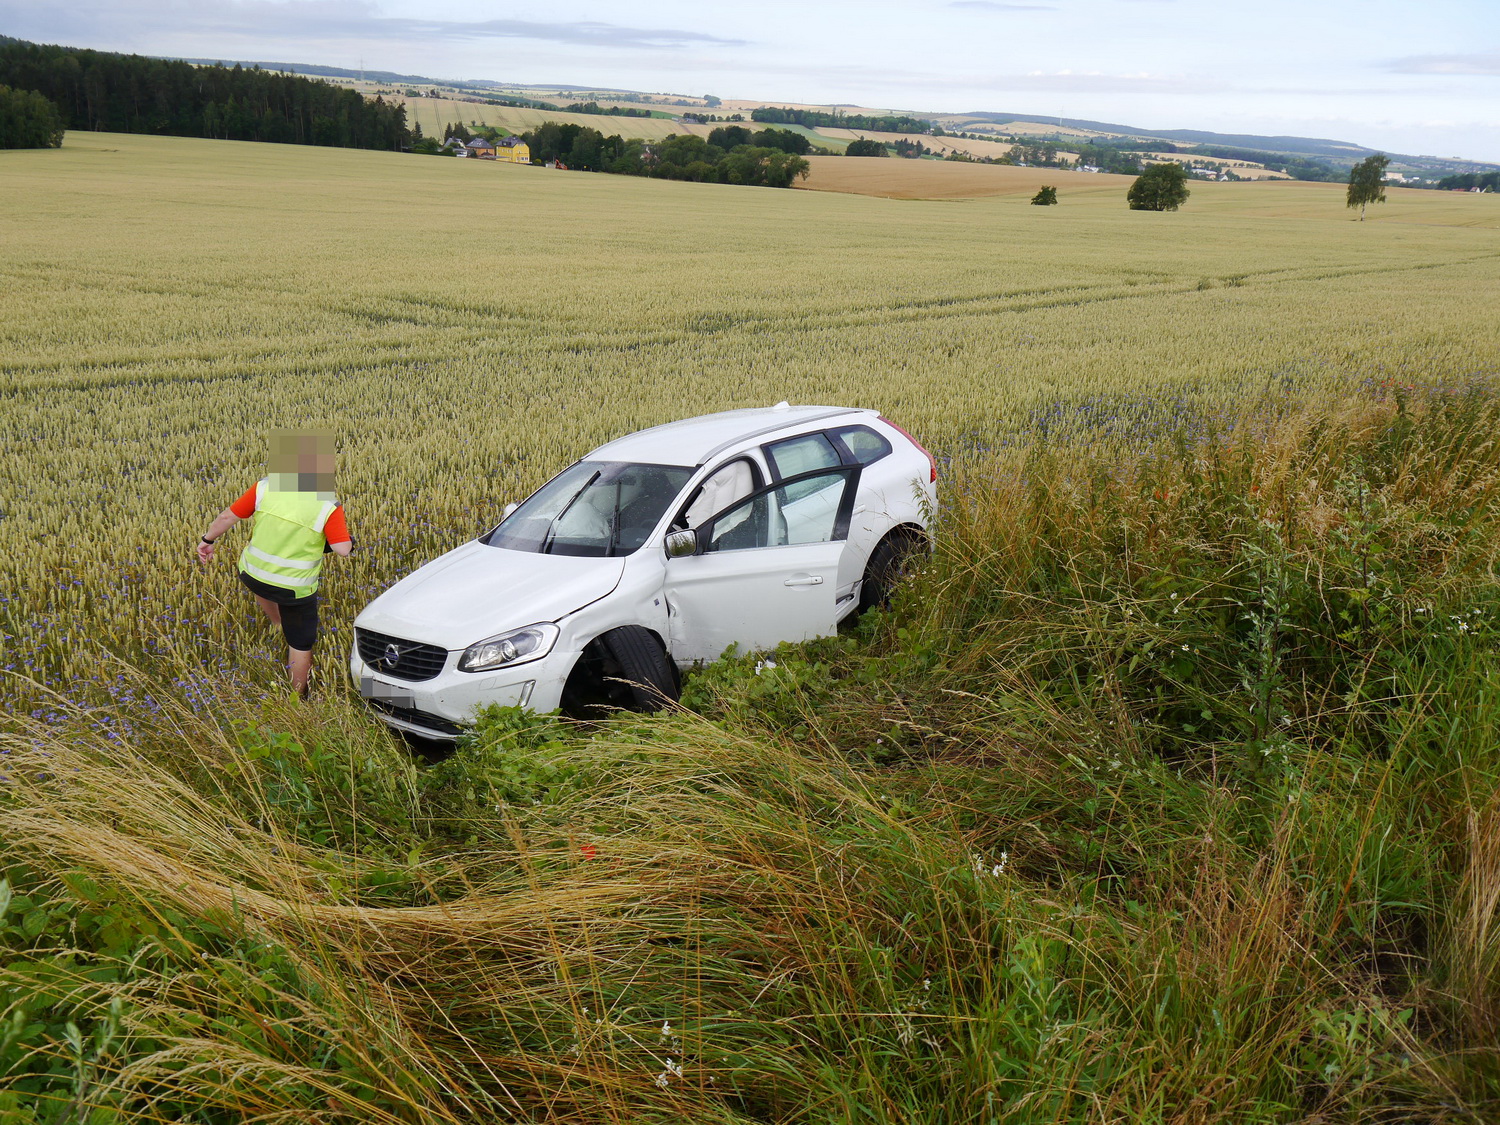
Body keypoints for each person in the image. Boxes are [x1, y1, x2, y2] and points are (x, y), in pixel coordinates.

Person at [196, 430, 353, 698]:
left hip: (252, 573)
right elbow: (342, 550)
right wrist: (346, 539)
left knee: (263, 585)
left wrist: (207, 540)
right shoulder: (328, 504)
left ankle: (276, 622)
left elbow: (226, 518)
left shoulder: (264, 487)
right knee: (301, 643)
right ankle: (298, 699)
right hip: (293, 589)